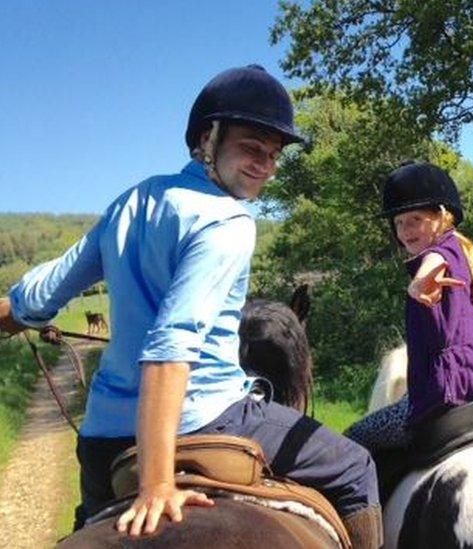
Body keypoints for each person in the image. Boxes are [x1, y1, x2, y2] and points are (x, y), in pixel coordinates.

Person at [0, 65, 382, 547]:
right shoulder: (228, 221)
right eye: (251, 147)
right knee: (357, 466)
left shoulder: (132, 202)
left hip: (104, 437)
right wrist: (157, 483)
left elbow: (49, 287)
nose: (265, 165)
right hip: (210, 414)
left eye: (273, 154)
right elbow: (171, 346)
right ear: (208, 138)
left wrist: (15, 313)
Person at [345, 162, 473, 453]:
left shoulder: (436, 255)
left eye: (415, 219)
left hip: (439, 397)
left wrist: (417, 285)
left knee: (352, 440)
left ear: (443, 217)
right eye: (399, 222)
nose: (405, 230)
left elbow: (432, 266)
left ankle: (367, 500)